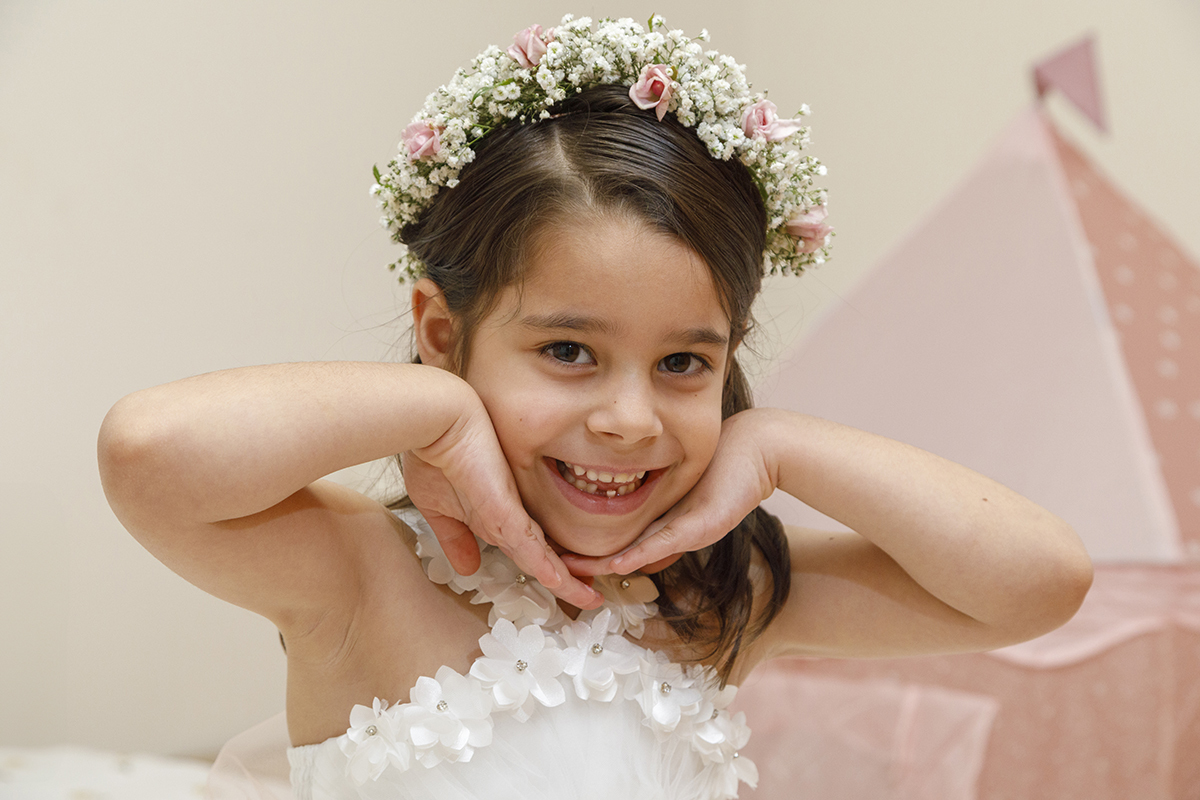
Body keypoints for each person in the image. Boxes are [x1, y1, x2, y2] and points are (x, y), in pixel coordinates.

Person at [97, 16, 1093, 800]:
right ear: (444, 333)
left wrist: (783, 443)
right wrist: (431, 413)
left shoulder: (718, 601)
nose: (628, 417)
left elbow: (1040, 582)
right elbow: (148, 452)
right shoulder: (362, 579)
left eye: (682, 363)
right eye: (569, 350)